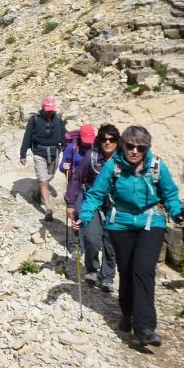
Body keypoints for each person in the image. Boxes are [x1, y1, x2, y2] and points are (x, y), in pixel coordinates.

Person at [73, 125, 184, 346]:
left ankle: (144, 327)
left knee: (143, 271)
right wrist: (84, 216)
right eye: (130, 146)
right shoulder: (113, 166)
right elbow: (96, 194)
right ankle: (127, 313)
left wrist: (178, 213)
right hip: (120, 224)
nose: (135, 151)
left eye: (141, 147)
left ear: (147, 148)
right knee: (126, 271)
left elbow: (170, 194)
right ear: (123, 145)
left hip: (151, 222)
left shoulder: (156, 166)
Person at [65, 124, 118, 292]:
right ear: (99, 140)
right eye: (104, 139)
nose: (108, 142)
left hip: (115, 205)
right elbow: (77, 178)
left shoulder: (124, 159)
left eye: (112, 139)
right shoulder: (91, 156)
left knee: (111, 241)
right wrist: (71, 202)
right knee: (92, 238)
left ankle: (107, 277)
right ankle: (92, 269)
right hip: (91, 201)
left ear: (118, 141)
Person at [20, 96, 66, 221]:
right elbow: (27, 137)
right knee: (44, 181)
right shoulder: (34, 119)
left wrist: (66, 150)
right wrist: (23, 154)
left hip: (54, 153)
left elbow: (64, 136)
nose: (49, 112)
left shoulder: (58, 119)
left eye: (51, 109)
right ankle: (48, 209)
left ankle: (36, 193)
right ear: (42, 107)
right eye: (47, 109)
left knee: (48, 178)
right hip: (39, 153)